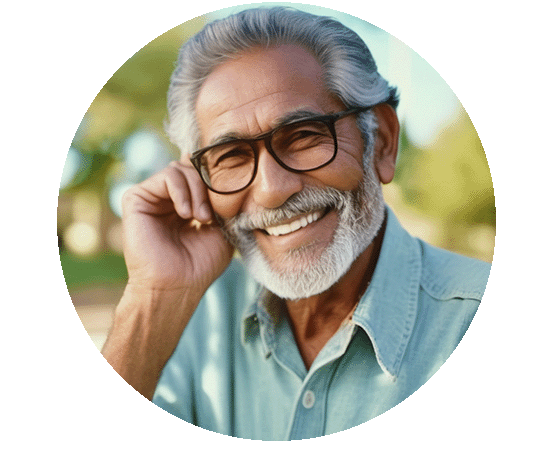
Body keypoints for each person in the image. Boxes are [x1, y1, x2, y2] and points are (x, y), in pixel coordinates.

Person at [102, 7, 491, 440]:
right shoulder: (191, 318)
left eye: (305, 135)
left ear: (380, 140)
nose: (271, 190)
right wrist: (155, 297)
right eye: (230, 156)